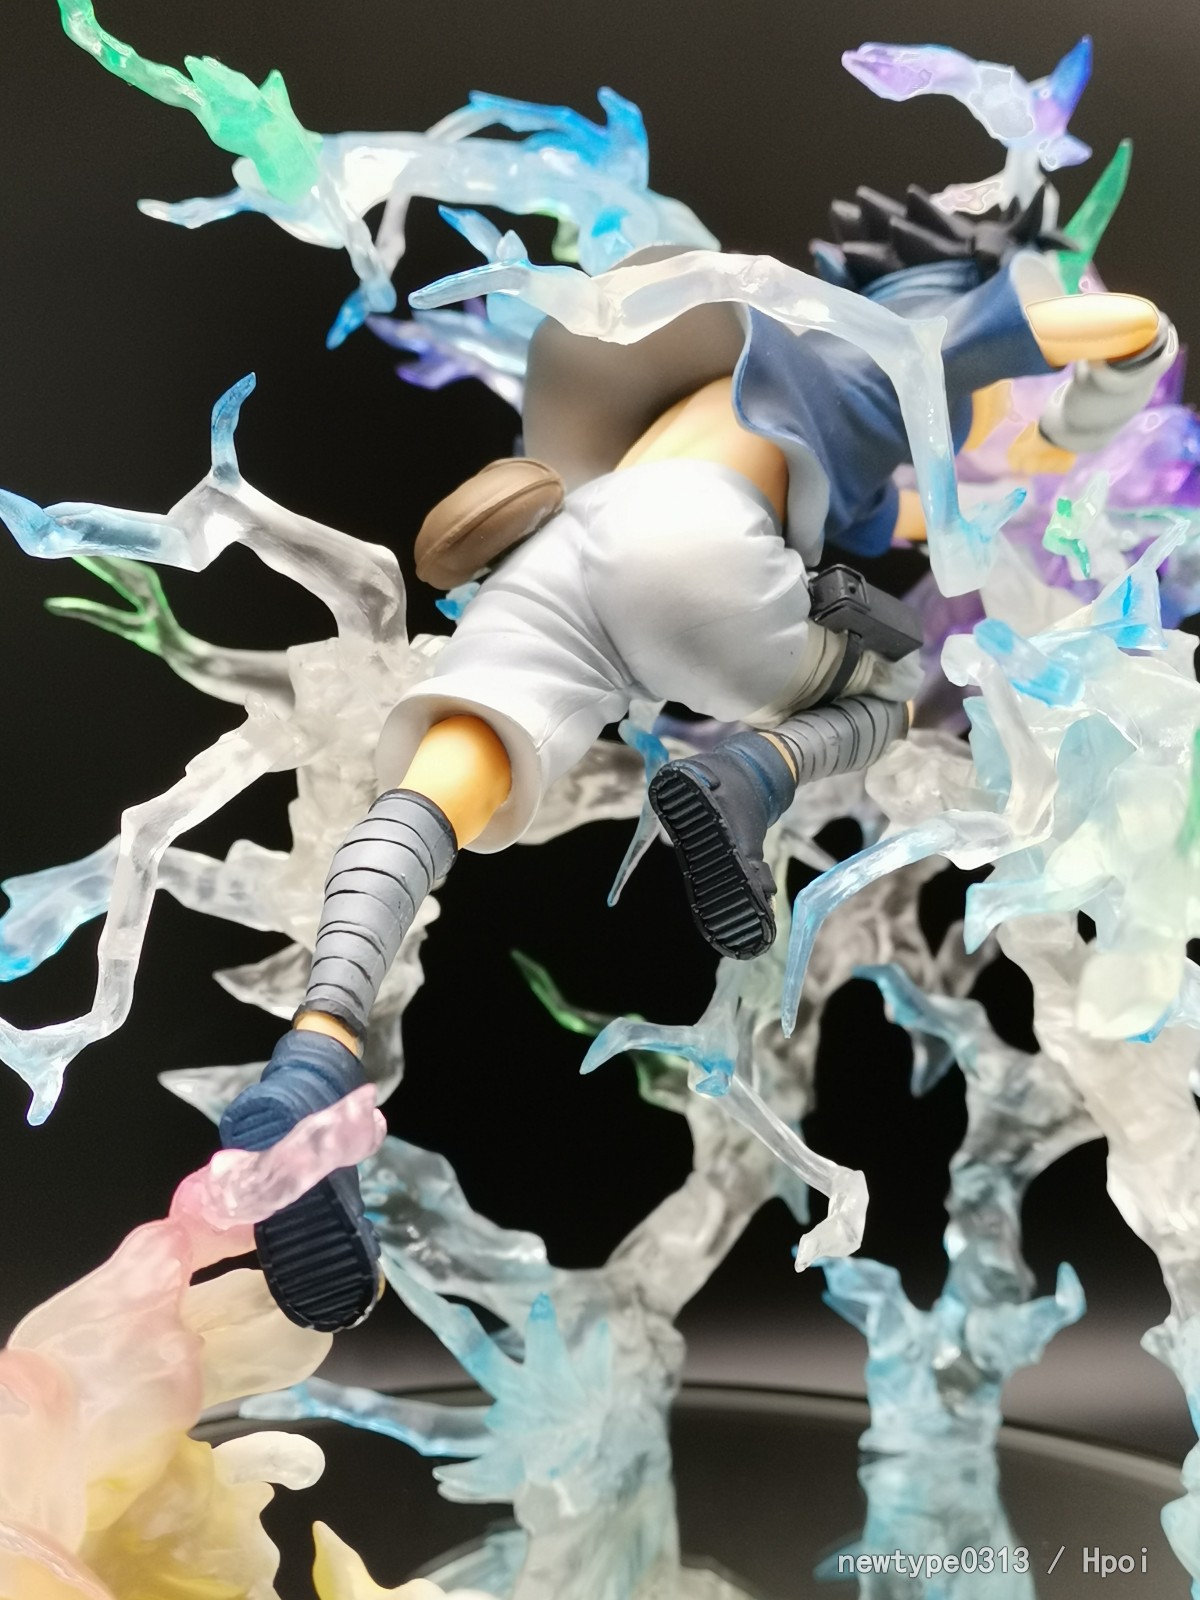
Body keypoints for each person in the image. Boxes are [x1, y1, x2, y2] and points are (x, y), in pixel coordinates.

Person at [220, 185, 1177, 1331]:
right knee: (886, 688)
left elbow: (919, 517)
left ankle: (315, 1047)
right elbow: (1101, 330)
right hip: (704, 551)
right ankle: (747, 778)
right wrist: (1118, 381)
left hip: (569, 547)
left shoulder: (742, 381)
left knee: (441, 784)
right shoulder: (892, 344)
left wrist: (1007, 473)